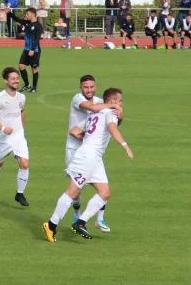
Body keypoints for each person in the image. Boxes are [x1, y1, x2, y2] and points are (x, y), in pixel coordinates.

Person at [42, 88, 133, 242]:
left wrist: (88, 139)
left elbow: (74, 130)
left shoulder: (94, 114)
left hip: (94, 158)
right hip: (87, 157)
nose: (121, 104)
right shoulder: (110, 112)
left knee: (104, 193)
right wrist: (125, 145)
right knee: (72, 192)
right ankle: (51, 225)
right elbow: (112, 128)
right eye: (120, 101)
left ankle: (81, 222)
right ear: (112, 102)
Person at [63, 75, 122, 231]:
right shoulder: (77, 99)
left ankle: (100, 219)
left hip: (91, 149)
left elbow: (113, 121)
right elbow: (94, 110)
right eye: (86, 87)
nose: (89, 90)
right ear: (81, 88)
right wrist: (112, 105)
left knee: (103, 185)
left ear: (95, 86)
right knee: (76, 188)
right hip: (74, 148)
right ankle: (76, 214)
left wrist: (119, 115)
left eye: (91, 87)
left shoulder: (99, 101)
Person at [0, 67, 30, 207]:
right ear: (6, 81)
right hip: (2, 138)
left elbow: (22, 111)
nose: (16, 81)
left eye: (17, 78)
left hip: (18, 137)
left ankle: (20, 194)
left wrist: (21, 128)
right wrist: (3, 128)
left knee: (24, 163)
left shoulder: (22, 97)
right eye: (13, 79)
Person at [18, 8, 43, 93]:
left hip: (34, 50)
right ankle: (27, 85)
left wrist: (32, 49)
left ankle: (35, 87)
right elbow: (18, 20)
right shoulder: (27, 23)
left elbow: (37, 39)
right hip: (26, 49)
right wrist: (9, 13)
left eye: (28, 14)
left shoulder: (38, 25)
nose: (26, 15)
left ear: (33, 14)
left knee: (34, 69)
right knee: (21, 66)